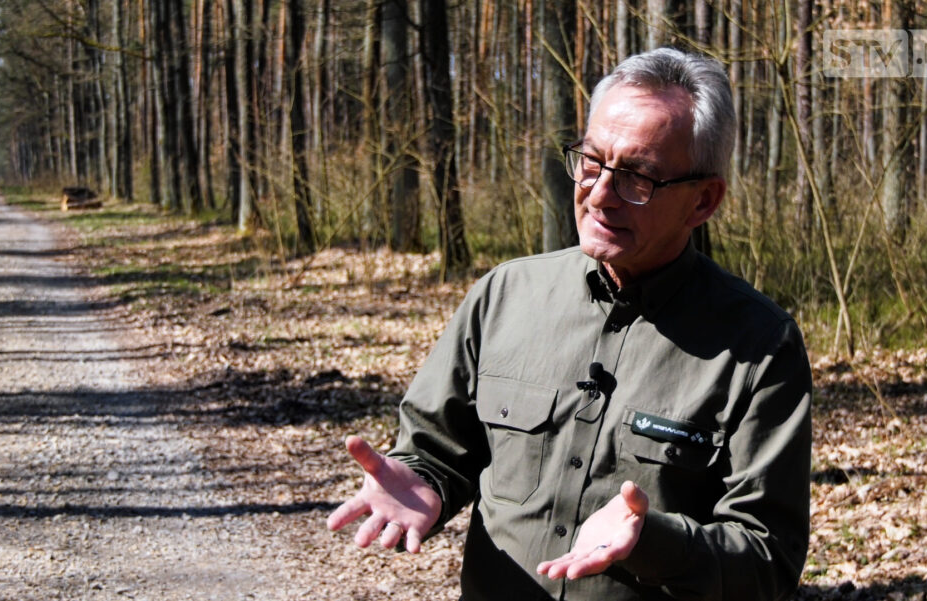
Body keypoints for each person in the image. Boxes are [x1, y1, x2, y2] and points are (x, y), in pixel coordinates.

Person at [327, 46, 812, 601]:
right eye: (592, 161)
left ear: (703, 201)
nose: (599, 194)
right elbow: (438, 449)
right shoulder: (503, 297)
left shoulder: (758, 345)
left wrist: (653, 541)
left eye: (639, 177)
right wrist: (423, 480)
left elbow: (767, 560)